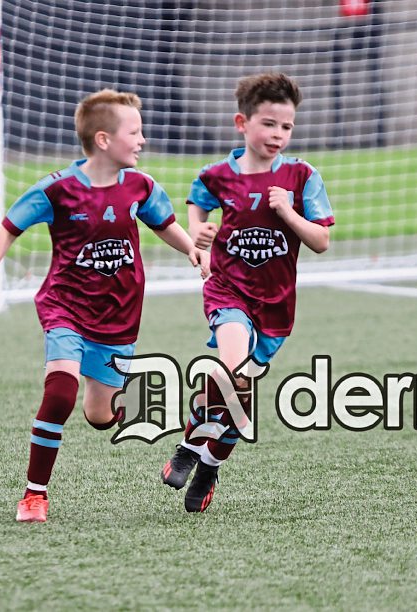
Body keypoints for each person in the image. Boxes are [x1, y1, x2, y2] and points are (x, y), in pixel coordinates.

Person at [0, 89, 210, 523]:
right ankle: (34, 495)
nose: (143, 140)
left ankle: (125, 402)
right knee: (60, 393)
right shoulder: (57, 189)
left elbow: (164, 223)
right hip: (65, 307)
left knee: (99, 416)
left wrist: (191, 248)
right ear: (103, 140)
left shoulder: (141, 186)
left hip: (118, 316)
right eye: (134, 132)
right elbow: (7, 229)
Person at [159, 73, 334, 513]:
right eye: (268, 124)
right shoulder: (218, 175)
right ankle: (190, 449)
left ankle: (206, 463)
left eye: (287, 126)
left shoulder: (302, 176)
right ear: (243, 123)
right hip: (228, 290)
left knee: (239, 395)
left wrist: (288, 212)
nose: (278, 135)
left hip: (276, 307)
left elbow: (321, 241)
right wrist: (200, 236)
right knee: (232, 372)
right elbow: (197, 206)